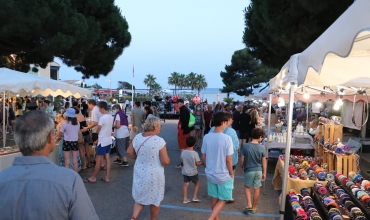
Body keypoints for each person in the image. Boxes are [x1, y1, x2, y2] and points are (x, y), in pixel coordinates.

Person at [0, 110, 98, 220]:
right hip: (74, 144)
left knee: (67, 161)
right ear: (50, 138)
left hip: (67, 143)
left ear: (18, 141)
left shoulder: (2, 179)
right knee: (74, 160)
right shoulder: (70, 180)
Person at [127, 117, 170, 220]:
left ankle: (134, 217)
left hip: (140, 172)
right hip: (155, 174)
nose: (160, 127)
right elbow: (165, 161)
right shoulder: (159, 141)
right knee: (155, 199)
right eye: (160, 125)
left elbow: (129, 152)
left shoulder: (137, 137)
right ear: (155, 126)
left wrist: (138, 158)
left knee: (140, 198)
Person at [201, 112, 234, 220]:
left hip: (210, 172)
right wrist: (231, 173)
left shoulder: (206, 137)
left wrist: (207, 167)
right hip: (223, 173)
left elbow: (203, 156)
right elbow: (228, 159)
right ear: (223, 122)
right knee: (223, 198)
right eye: (226, 122)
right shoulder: (227, 138)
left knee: (214, 197)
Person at [208, 112, 239, 204]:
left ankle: (217, 194)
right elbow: (236, 146)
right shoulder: (231, 132)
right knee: (229, 177)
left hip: (214, 160)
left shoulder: (211, 130)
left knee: (215, 179)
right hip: (229, 158)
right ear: (226, 121)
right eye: (231, 119)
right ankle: (227, 195)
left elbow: (206, 150)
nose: (232, 121)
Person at [84, 101, 113, 183]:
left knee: (98, 159)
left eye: (99, 109)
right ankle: (107, 176)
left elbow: (98, 130)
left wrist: (96, 137)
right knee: (107, 159)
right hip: (108, 140)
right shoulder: (111, 116)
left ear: (102, 108)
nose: (99, 111)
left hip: (103, 141)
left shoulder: (102, 118)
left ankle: (93, 177)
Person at [240, 128, 267, 214]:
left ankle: (249, 204)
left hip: (249, 170)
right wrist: (264, 172)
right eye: (262, 137)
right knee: (257, 188)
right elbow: (264, 161)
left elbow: (242, 159)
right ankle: (254, 207)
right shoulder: (262, 147)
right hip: (258, 170)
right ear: (259, 137)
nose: (262, 139)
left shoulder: (245, 146)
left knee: (247, 187)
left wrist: (242, 167)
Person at [181, 136, 203, 203]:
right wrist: (202, 162)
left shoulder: (183, 152)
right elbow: (197, 163)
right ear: (194, 144)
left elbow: (182, 161)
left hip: (185, 171)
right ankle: (194, 197)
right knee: (197, 182)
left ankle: (185, 198)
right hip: (193, 172)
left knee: (186, 184)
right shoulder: (195, 154)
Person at [58, 108, 80, 173]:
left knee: (67, 161)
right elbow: (78, 131)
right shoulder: (77, 123)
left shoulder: (65, 124)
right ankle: (76, 175)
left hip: (67, 142)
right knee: (75, 161)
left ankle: (67, 176)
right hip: (75, 142)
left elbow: (60, 133)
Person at [81, 99, 102, 165]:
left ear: (90, 104)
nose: (88, 106)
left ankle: (100, 163)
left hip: (96, 131)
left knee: (97, 147)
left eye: (88, 105)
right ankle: (97, 161)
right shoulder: (98, 109)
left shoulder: (94, 110)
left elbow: (95, 123)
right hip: (99, 130)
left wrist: (87, 128)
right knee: (98, 146)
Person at [176, 99, 193, 169]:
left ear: (181, 103)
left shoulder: (183, 110)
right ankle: (187, 162)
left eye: (178, 103)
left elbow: (184, 120)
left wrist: (182, 126)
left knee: (182, 148)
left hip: (183, 132)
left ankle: (183, 163)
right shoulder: (186, 109)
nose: (177, 104)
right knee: (187, 147)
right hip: (187, 131)